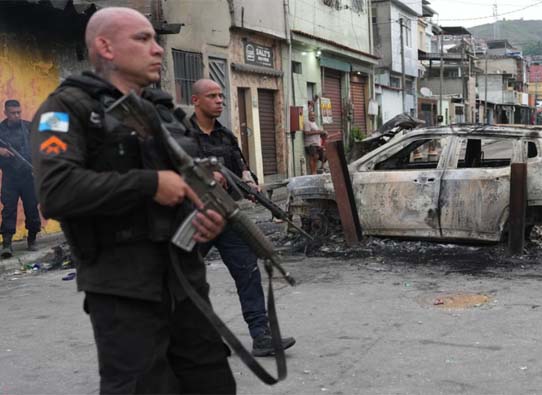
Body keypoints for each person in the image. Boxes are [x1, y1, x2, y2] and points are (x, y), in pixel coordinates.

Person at [30, 8, 235, 394]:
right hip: (123, 290)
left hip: (184, 281)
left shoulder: (164, 112)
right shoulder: (65, 110)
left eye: (155, 40)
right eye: (142, 39)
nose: (157, 49)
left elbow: (185, 182)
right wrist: (148, 184)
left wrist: (205, 215)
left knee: (212, 381)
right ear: (105, 47)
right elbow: (56, 191)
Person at [189, 78, 296, 357]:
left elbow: (242, 168)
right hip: (195, 217)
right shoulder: (181, 136)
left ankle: (261, 335)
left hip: (228, 216)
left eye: (221, 96)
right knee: (184, 277)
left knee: (248, 273)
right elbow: (171, 174)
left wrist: (250, 184)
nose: (219, 100)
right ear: (196, 100)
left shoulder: (226, 136)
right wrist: (203, 176)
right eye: (212, 96)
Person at [0, 99, 41, 257]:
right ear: (6, 113)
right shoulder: (1, 130)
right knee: (9, 209)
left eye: (19, 112)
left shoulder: (29, 127)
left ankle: (32, 239)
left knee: (31, 208)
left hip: (28, 176)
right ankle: (7, 244)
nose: (17, 115)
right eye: (13, 113)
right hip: (10, 177)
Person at [303, 110, 326, 175]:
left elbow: (317, 132)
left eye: (313, 115)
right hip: (310, 144)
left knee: (318, 157)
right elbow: (306, 133)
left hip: (316, 144)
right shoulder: (307, 123)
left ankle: (315, 171)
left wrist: (322, 133)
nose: (312, 116)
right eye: (311, 115)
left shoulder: (314, 123)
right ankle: (313, 172)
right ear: (308, 116)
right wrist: (318, 132)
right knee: (314, 157)